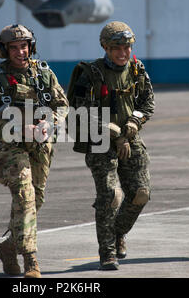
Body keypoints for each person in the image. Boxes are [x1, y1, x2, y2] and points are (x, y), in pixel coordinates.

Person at [0, 24, 68, 278]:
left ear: (31, 46)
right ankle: (31, 260)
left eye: (24, 46)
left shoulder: (44, 73)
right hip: (10, 147)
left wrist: (50, 123)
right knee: (25, 197)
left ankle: (7, 249)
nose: (20, 52)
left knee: (35, 200)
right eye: (13, 48)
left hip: (41, 146)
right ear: (4, 50)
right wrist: (17, 129)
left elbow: (62, 104)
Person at [67, 21, 155, 270]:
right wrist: (112, 131)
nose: (122, 53)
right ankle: (107, 253)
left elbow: (148, 101)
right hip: (99, 141)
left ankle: (118, 233)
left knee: (140, 193)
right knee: (110, 196)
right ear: (105, 47)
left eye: (126, 46)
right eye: (116, 47)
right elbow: (79, 111)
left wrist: (134, 123)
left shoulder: (137, 69)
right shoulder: (90, 73)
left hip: (130, 137)